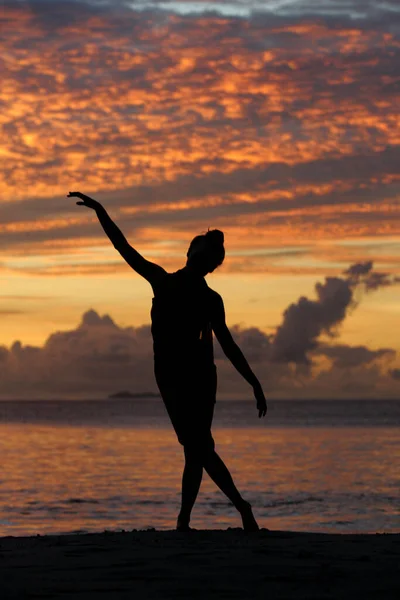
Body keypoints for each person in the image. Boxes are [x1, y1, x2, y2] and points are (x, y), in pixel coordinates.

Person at [67, 191, 268, 532]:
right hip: (173, 377)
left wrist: (254, 382)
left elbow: (229, 345)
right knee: (197, 446)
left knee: (197, 446)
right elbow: (123, 246)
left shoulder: (208, 299)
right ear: (190, 253)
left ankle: (222, 512)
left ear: (211, 264)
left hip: (199, 376)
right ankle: (194, 519)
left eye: (212, 257)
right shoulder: (163, 281)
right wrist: (100, 210)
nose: (205, 258)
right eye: (203, 251)